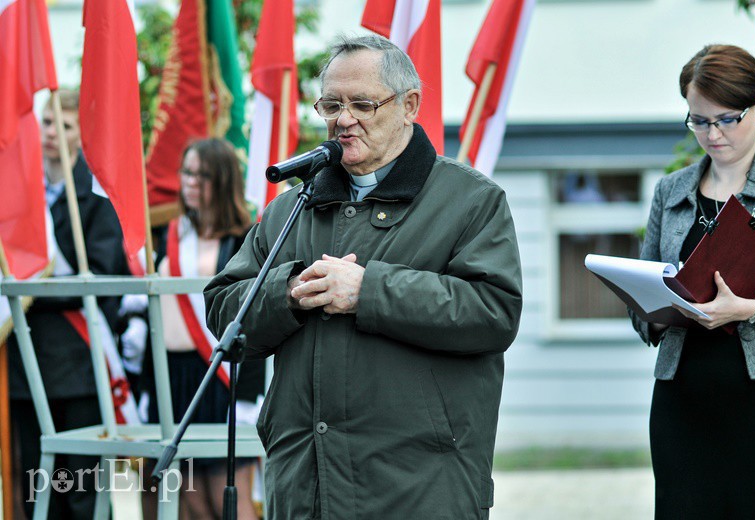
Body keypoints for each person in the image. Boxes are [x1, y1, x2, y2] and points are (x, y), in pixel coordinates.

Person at [204, 35, 522, 519]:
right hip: (305, 483)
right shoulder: (292, 207)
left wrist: (369, 290)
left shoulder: (470, 200)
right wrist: (288, 291)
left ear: (409, 105)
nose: (342, 119)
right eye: (331, 104)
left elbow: (493, 312)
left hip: (418, 488)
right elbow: (225, 306)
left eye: (362, 104)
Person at [630, 44, 755, 518]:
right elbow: (644, 299)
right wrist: (656, 311)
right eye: (699, 121)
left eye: (727, 119)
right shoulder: (672, 190)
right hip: (683, 402)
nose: (712, 133)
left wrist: (747, 308)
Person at [8, 90, 130, 519]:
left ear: (81, 135)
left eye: (64, 126)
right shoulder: (15, 194)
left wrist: (29, 292)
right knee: (34, 490)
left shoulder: (96, 195)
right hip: (25, 363)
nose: (52, 134)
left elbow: (103, 278)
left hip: (80, 363)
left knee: (82, 489)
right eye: (46, 123)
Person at [140, 138, 264, 520]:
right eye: (187, 173)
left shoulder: (246, 238)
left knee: (225, 498)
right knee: (187, 501)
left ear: (223, 180)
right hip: (173, 377)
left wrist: (247, 395)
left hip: (220, 379)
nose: (191, 182)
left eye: (202, 175)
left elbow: (255, 319)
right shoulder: (169, 235)